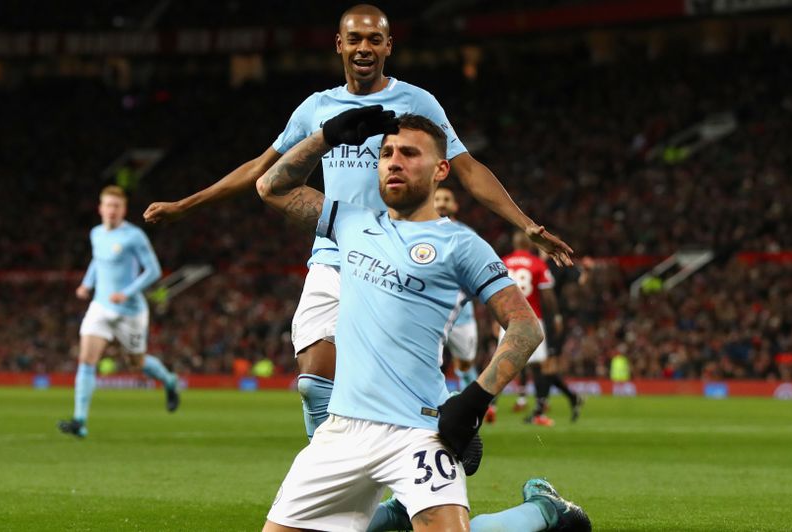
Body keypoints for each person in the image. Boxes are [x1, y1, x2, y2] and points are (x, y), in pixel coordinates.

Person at [143, 4, 573, 442]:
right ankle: (332, 473)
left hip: (397, 260)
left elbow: (467, 168)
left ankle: (417, 473)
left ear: (388, 46)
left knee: (390, 393)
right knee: (314, 382)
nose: (363, 47)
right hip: (334, 251)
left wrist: (527, 224)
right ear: (339, 45)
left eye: (373, 39)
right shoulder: (317, 109)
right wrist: (185, 205)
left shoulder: (416, 102)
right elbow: (262, 169)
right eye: (355, 39)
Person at [256, 110, 589, 532]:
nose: (394, 161)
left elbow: (525, 326)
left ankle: (544, 512)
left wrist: (472, 402)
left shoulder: (462, 245)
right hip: (341, 433)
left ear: (441, 169)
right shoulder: (351, 222)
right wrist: (323, 137)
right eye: (387, 152)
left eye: (410, 153)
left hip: (418, 432)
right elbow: (270, 186)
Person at [58, 186, 178, 438]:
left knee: (137, 363)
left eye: (117, 206)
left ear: (123, 210)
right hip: (100, 306)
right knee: (86, 360)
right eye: (108, 205)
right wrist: (86, 284)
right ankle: (80, 421)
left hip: (130, 311)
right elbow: (97, 260)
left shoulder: (134, 237)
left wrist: (127, 292)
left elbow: (154, 271)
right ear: (100, 208)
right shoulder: (96, 234)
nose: (112, 210)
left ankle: (168, 380)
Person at [501, 230, 583, 425]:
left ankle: (541, 408)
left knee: (545, 366)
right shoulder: (537, 264)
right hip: (541, 319)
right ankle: (568, 399)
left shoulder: (555, 265)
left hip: (550, 319)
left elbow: (576, 278)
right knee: (542, 367)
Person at [434, 186, 480, 390]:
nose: (442, 203)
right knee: (427, 362)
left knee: (465, 364)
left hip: (461, 314)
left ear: (455, 205)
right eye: (437, 198)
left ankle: (473, 400)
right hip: (430, 312)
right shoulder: (417, 230)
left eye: (447, 198)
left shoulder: (466, 235)